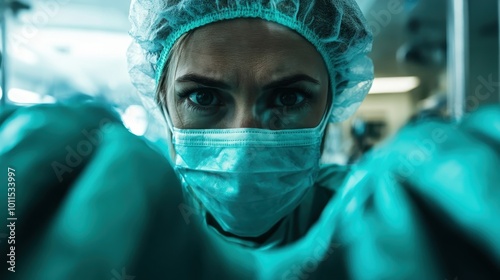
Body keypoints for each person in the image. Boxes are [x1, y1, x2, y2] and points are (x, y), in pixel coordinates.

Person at [0, 1, 499, 279]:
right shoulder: (109, 214)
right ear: (163, 104)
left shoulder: (394, 219)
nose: (244, 135)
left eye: (287, 99)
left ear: (331, 106)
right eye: (203, 98)